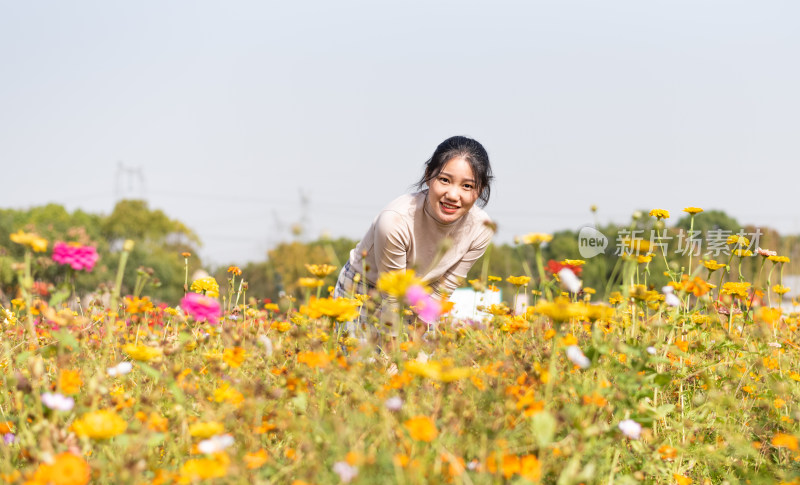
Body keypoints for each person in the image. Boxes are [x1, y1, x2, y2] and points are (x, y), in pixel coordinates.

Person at [334, 135, 495, 341]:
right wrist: (394, 353)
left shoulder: (481, 228)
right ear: (429, 175)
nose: (453, 195)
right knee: (363, 368)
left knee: (418, 367)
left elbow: (443, 289)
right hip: (364, 291)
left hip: (421, 297)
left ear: (480, 189)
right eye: (445, 180)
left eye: (467, 186)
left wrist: (414, 340)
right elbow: (392, 296)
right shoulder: (395, 221)